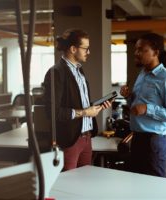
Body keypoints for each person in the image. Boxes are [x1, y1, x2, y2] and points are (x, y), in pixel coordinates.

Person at [43, 28, 111, 171]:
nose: (89, 52)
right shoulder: (55, 73)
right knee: (68, 187)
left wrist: (96, 107)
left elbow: (79, 104)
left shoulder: (79, 70)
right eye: (85, 48)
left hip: (86, 138)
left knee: (84, 184)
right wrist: (86, 112)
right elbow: (53, 112)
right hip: (70, 141)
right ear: (73, 49)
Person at [120, 33, 166, 177]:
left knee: (155, 190)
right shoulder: (142, 74)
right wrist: (129, 97)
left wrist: (148, 109)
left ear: (155, 52)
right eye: (136, 49)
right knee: (137, 187)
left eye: (142, 50)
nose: (136, 53)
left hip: (154, 142)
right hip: (137, 139)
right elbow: (137, 107)